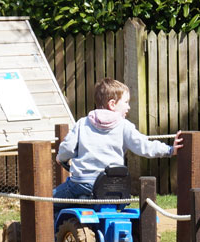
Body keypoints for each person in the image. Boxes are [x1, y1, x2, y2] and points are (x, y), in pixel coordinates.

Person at [53, 77, 183, 213]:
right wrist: (169, 150)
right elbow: (144, 146)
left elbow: (67, 148)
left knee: (49, 203)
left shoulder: (82, 123)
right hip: (114, 186)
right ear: (112, 104)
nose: (129, 106)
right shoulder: (124, 126)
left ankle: (54, 233)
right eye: (126, 102)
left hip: (82, 184)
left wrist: (61, 158)